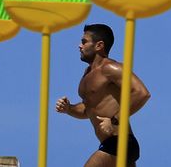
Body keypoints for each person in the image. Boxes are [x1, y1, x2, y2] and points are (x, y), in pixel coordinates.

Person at [56, 24, 151, 167]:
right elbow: (88, 109)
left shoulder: (111, 68)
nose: (79, 46)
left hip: (120, 142)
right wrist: (69, 109)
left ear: (99, 45)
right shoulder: (87, 74)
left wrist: (114, 120)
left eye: (84, 42)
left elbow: (142, 93)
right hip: (109, 144)